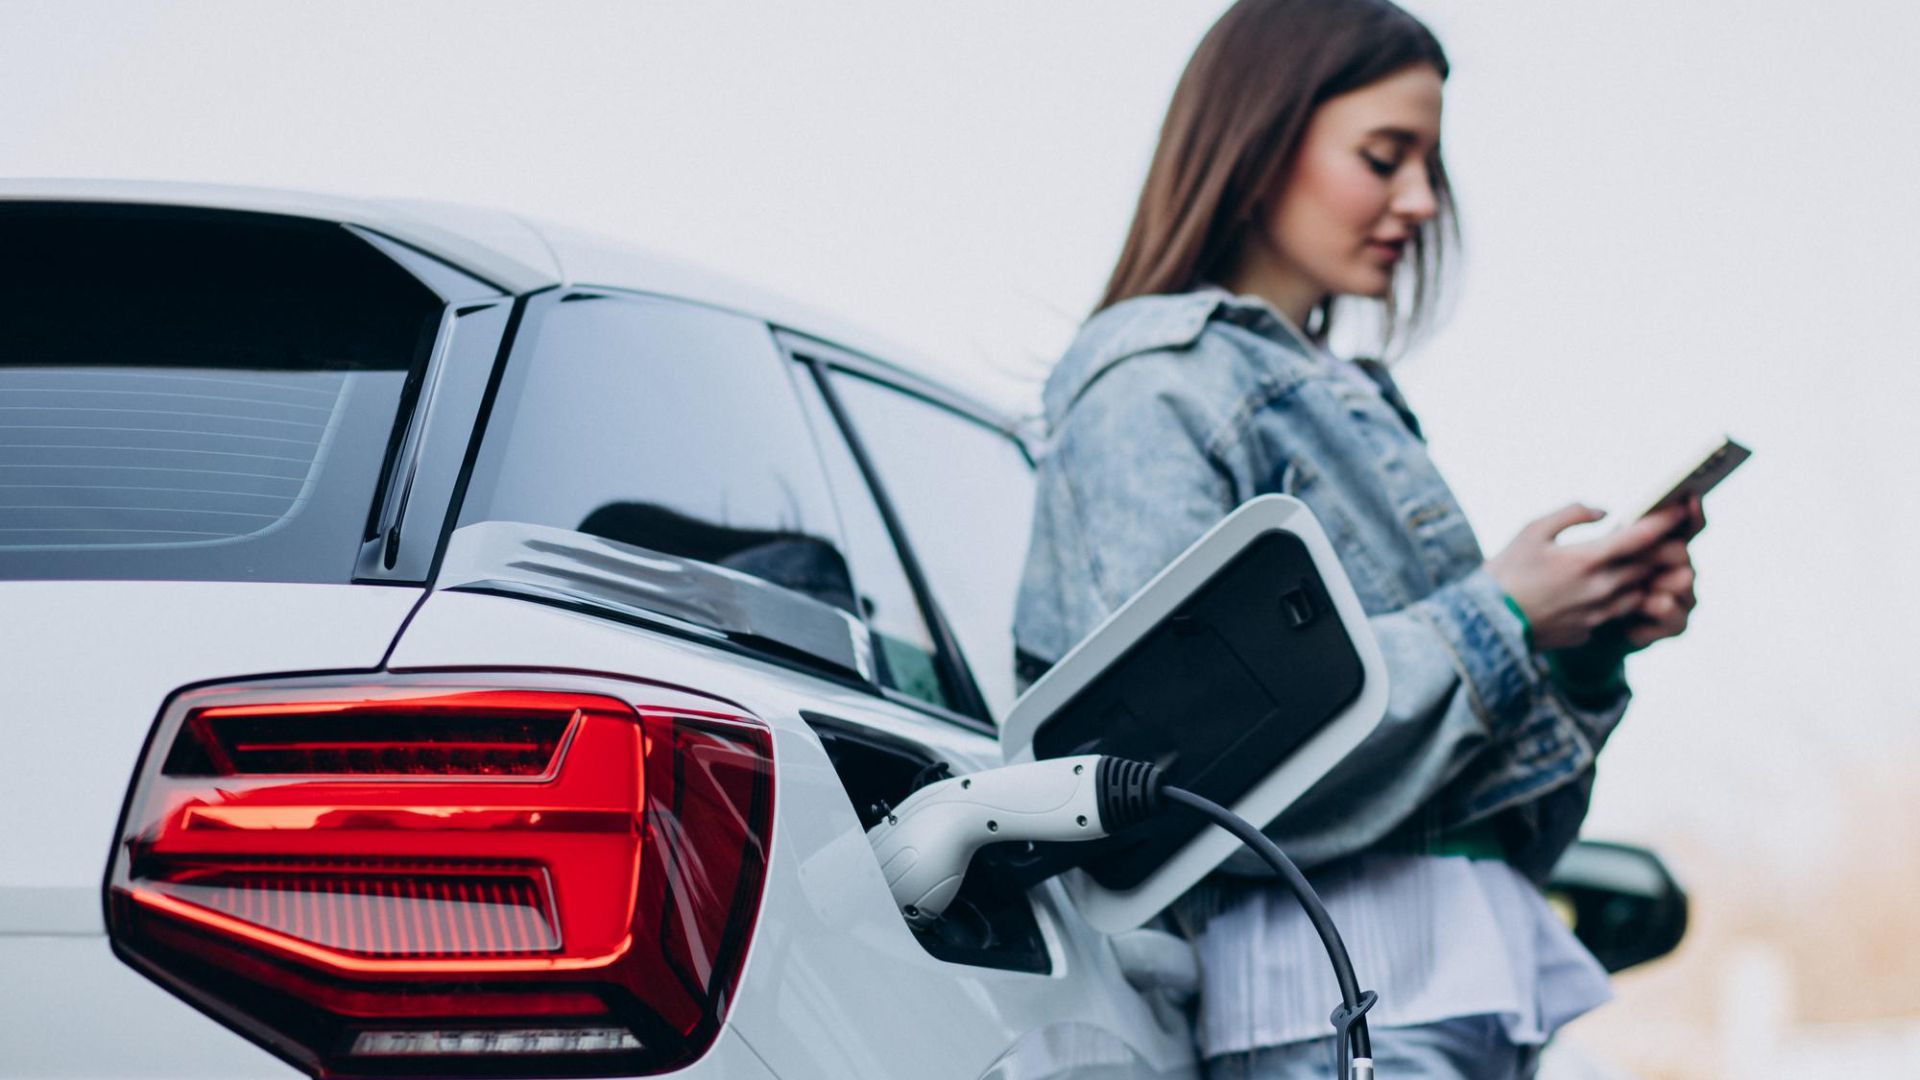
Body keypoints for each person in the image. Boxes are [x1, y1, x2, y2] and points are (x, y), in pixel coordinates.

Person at [1012, 1, 1703, 1077]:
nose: (1420, 201)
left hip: (1448, 1000)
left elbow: (1470, 802)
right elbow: (1184, 770)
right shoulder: (1153, 387)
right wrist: (1501, 617)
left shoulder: (1341, 395)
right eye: (1384, 158)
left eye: (1429, 165)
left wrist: (1582, 645)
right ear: (1256, 140)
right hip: (1334, 1009)